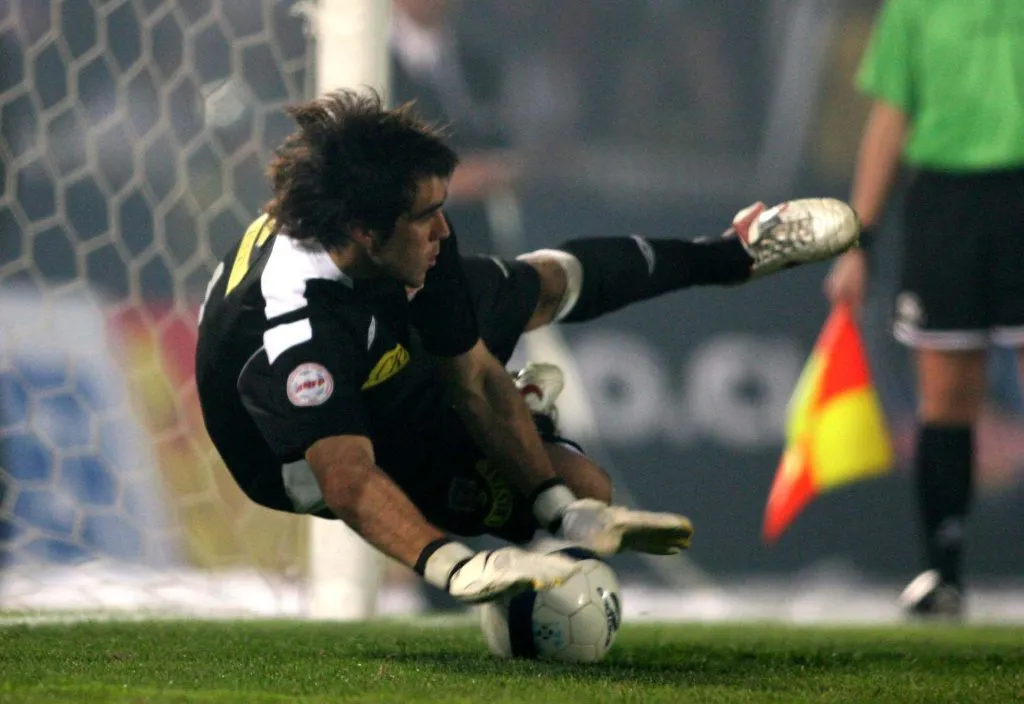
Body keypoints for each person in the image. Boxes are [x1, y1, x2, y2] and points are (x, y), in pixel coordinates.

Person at [196, 89, 859, 605]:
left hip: (379, 329)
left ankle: (732, 253)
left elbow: (475, 377)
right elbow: (345, 479)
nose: (443, 229)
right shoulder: (296, 324)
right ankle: (498, 475)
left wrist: (558, 509)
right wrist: (455, 566)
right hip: (287, 454)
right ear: (368, 232)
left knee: (538, 292)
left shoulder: (401, 240)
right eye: (424, 216)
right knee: (569, 476)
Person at [824, 0, 1024, 618]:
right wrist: (859, 241)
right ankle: (943, 573)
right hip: (942, 201)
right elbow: (890, 117)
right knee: (944, 397)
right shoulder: (913, 7)